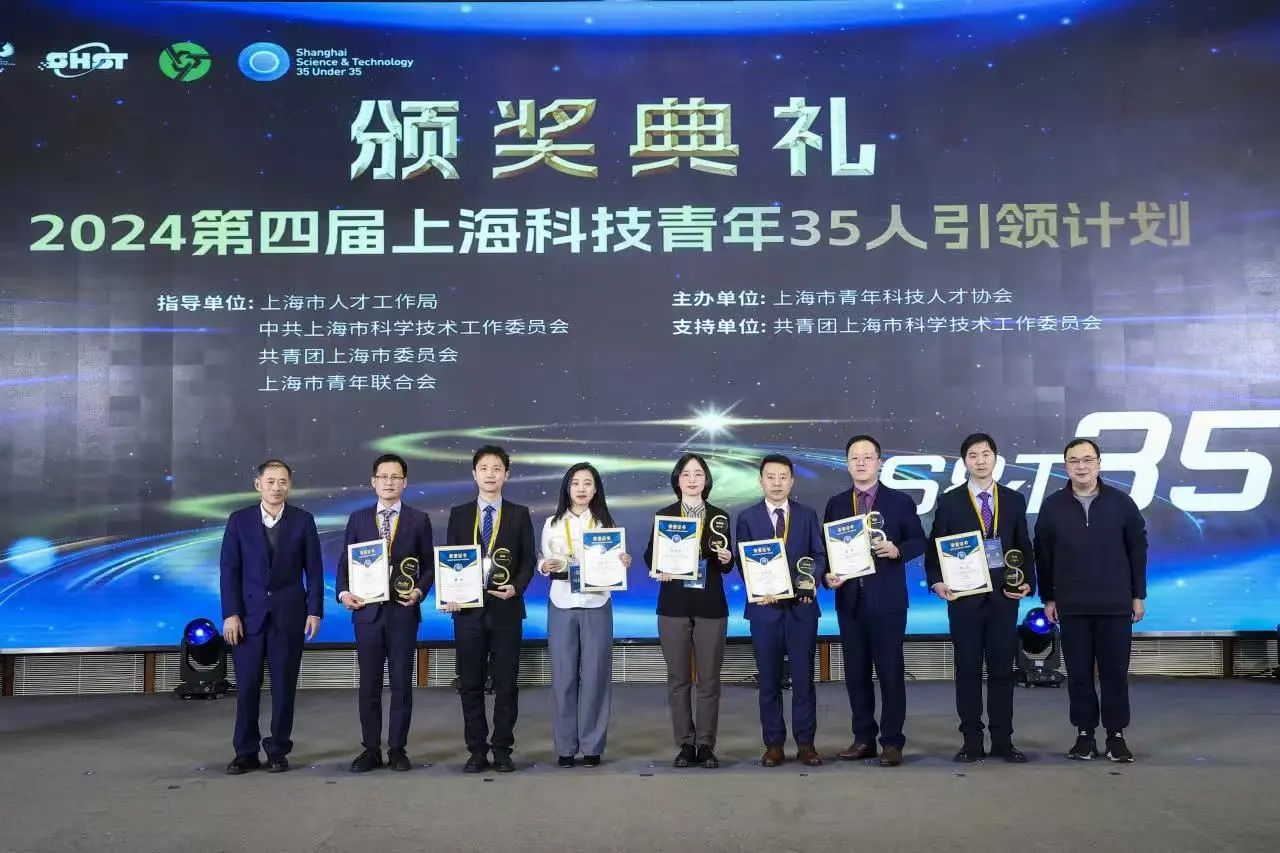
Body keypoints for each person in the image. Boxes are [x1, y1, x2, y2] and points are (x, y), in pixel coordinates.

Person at [925, 433, 1036, 763]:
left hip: (1004, 599)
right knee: (968, 671)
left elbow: (1024, 547)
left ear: (995, 458)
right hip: (964, 601)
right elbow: (935, 548)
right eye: (973, 455)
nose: (980, 460)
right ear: (965, 462)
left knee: (1002, 671)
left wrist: (1027, 582)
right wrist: (936, 582)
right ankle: (971, 740)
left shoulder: (1013, 500)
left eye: (986, 454)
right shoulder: (950, 501)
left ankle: (1003, 740)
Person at [1035, 438, 1147, 763]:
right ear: (1066, 466)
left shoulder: (1121, 503)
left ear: (1099, 463)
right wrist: (1048, 598)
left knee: (1115, 672)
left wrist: (1138, 595)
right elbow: (1043, 555)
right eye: (1074, 461)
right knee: (1079, 674)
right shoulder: (1053, 506)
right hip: (1072, 606)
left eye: (1087, 459)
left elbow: (1137, 550)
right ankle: (1084, 734)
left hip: (1115, 604)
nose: (1081, 466)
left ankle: (1116, 735)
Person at [823, 435, 926, 767]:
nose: (861, 462)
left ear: (879, 462)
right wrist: (827, 575)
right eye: (855, 457)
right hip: (849, 602)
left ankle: (892, 741)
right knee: (856, 674)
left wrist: (897, 550)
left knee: (890, 673)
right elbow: (826, 552)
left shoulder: (899, 501)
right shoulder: (836, 504)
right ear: (847, 464)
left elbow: (919, 541)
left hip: (888, 602)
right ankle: (863, 738)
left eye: (868, 457)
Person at [219, 459, 324, 775]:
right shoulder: (239, 521)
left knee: (284, 687)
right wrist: (231, 614)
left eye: (282, 482)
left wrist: (314, 611)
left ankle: (278, 750)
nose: (277, 487)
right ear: (258, 485)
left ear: (289, 485)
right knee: (247, 687)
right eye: (270, 481)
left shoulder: (303, 520)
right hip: (247, 619)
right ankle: (245, 752)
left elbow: (314, 571)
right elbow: (229, 571)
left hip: (289, 616)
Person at [335, 453, 434, 773]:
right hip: (367, 614)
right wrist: (344, 593)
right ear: (373, 481)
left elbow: (429, 566)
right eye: (383, 476)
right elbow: (344, 563)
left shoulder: (419, 519)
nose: (389, 482)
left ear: (405, 482)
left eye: (395, 477)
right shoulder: (358, 519)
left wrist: (419, 592)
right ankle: (370, 749)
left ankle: (397, 748)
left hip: (403, 613)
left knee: (402, 683)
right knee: (369, 684)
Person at [444, 444, 535, 773]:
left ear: (506, 474)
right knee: (470, 683)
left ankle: (502, 748)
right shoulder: (459, 514)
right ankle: (477, 749)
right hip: (468, 612)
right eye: (484, 468)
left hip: (506, 610)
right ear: (474, 474)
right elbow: (449, 560)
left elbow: (528, 560)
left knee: (507, 683)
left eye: (497, 469)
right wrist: (449, 594)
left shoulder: (519, 514)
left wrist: (517, 587)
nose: (490, 474)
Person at [735, 453, 827, 767]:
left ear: (792, 481)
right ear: (761, 481)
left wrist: (811, 582)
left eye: (783, 477)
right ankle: (773, 744)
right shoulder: (747, 518)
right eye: (771, 477)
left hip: (802, 609)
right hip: (765, 611)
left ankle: (806, 743)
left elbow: (819, 555)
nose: (777, 483)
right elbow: (743, 562)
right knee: (769, 681)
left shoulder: (807, 515)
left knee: (803, 680)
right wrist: (758, 588)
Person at [537, 462, 631, 768]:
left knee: (595, 676)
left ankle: (592, 746)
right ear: (567, 487)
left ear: (595, 489)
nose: (581, 489)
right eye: (575, 483)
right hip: (561, 602)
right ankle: (565, 747)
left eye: (587, 483)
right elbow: (542, 559)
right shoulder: (552, 523)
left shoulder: (606, 525)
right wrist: (544, 566)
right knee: (563, 677)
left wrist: (623, 562)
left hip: (597, 604)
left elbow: (614, 565)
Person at [644, 453, 734, 769]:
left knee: (709, 680)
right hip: (674, 605)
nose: (692, 479)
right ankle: (685, 743)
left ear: (706, 480)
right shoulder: (665, 515)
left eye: (698, 474)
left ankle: (706, 744)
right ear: (677, 480)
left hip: (710, 606)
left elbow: (727, 565)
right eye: (686, 474)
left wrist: (727, 559)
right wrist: (659, 567)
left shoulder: (720, 516)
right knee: (678, 679)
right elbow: (650, 556)